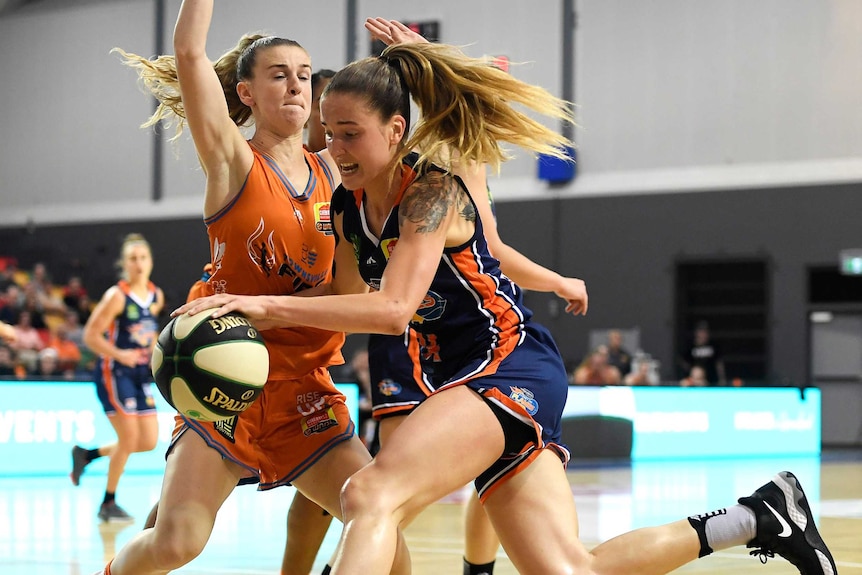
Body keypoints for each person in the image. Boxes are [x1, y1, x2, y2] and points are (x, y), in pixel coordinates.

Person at [175, 31, 836, 575]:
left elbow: (392, 309)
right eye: (329, 133)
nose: (333, 149)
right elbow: (343, 295)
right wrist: (244, 308)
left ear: (396, 128)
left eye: (349, 134)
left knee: (368, 494)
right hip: (456, 380)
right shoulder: (348, 204)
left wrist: (266, 309)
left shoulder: (431, 193)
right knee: (570, 570)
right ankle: (761, 514)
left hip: (506, 366)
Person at [101, 2, 410, 573]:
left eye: (302, 74)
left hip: (303, 389)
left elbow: (347, 296)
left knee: (391, 551)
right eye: (277, 74)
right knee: (177, 544)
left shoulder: (338, 181)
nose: (295, 85)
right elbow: (190, 51)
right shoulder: (232, 162)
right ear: (245, 94)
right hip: (224, 381)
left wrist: (271, 309)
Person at [72, 233, 164, 523]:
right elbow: (90, 335)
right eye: (132, 259)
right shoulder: (117, 296)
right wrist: (119, 354)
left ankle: (87, 456)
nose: (138, 264)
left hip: (139, 373)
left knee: (148, 441)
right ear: (124, 264)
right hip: (114, 372)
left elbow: (146, 333)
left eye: (143, 258)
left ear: (150, 261)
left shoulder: (155, 296)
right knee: (129, 438)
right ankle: (108, 502)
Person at [679, 321, 726, 385]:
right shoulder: (690, 347)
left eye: (705, 332)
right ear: (696, 333)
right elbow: (684, 362)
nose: (703, 334)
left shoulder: (713, 347)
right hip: (694, 381)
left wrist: (722, 379)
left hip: (711, 381)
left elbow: (719, 364)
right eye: (701, 332)